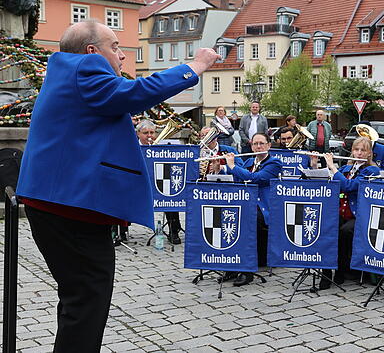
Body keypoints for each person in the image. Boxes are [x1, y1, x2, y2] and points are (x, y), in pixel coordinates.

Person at [17, 20, 219, 352]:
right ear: (92, 51)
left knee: (79, 299)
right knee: (87, 302)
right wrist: (194, 67)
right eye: (114, 47)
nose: (122, 55)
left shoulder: (66, 72)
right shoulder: (85, 68)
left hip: (60, 203)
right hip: (69, 208)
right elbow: (135, 93)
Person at [225, 133, 283, 286]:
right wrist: (221, 169)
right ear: (251, 146)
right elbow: (238, 179)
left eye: (261, 143)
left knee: (247, 221)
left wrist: (233, 166)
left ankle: (247, 271)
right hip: (247, 204)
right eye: (255, 144)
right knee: (227, 216)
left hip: (265, 209)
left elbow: (255, 178)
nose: (258, 146)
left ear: (269, 145)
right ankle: (231, 266)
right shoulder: (249, 161)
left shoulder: (274, 163)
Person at [322, 137, 381, 288]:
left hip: (359, 215)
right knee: (326, 227)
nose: (359, 153)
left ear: (369, 153)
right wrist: (316, 165)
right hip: (340, 212)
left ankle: (340, 271)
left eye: (363, 150)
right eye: (356, 150)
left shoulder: (371, 170)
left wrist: (332, 166)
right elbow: (332, 183)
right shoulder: (346, 168)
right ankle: (326, 273)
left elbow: (349, 186)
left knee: (344, 232)